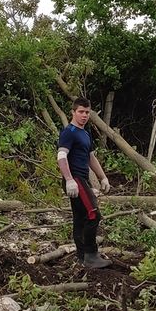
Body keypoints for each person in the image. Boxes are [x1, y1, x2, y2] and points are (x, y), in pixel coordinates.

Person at [57, 97, 112, 269]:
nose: (84, 115)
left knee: (80, 219)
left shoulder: (85, 134)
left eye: (87, 112)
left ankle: (81, 257)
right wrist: (69, 180)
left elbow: (91, 157)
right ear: (73, 112)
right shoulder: (69, 132)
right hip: (76, 180)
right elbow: (61, 156)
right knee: (93, 214)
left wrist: (103, 177)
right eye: (81, 111)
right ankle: (91, 255)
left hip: (83, 180)